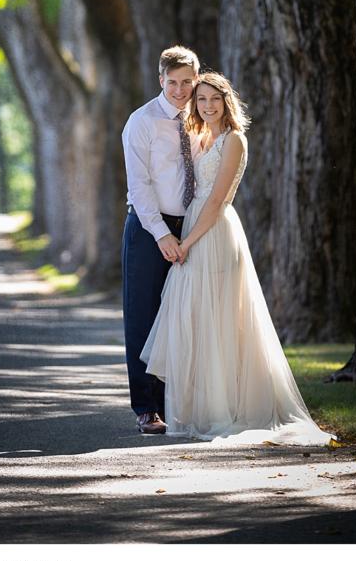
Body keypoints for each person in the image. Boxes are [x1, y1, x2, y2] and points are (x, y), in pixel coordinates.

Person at [141, 71, 335, 446]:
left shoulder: (235, 140)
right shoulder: (199, 136)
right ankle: (199, 407)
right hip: (195, 227)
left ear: (226, 101)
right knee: (196, 316)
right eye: (201, 99)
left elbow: (217, 201)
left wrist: (187, 243)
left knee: (221, 317)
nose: (207, 105)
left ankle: (227, 408)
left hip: (213, 232)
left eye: (214, 99)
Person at [121, 44, 200, 434]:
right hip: (150, 226)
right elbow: (140, 186)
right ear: (160, 80)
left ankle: (180, 402)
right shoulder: (142, 122)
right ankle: (147, 408)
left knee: (185, 315)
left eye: (187, 82)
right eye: (173, 82)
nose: (180, 90)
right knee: (144, 316)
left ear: (196, 80)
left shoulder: (204, 117)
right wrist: (162, 234)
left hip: (193, 225)